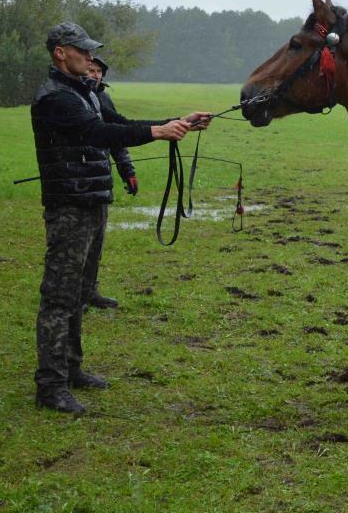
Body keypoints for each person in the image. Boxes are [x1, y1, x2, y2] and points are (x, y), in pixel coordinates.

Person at [31, 21, 212, 413]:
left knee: (80, 293)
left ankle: (72, 369)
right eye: (83, 51)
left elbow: (117, 124)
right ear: (60, 52)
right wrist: (159, 132)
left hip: (93, 202)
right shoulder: (55, 98)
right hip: (69, 207)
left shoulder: (86, 93)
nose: (90, 57)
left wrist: (176, 122)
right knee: (59, 298)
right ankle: (50, 385)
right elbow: (96, 133)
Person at [78, 56, 136, 311]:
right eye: (91, 69)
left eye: (99, 70)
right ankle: (72, 297)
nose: (95, 74)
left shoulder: (102, 99)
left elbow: (118, 136)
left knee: (96, 242)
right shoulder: (71, 98)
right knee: (76, 244)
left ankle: (90, 291)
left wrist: (128, 170)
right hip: (75, 181)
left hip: (100, 180)